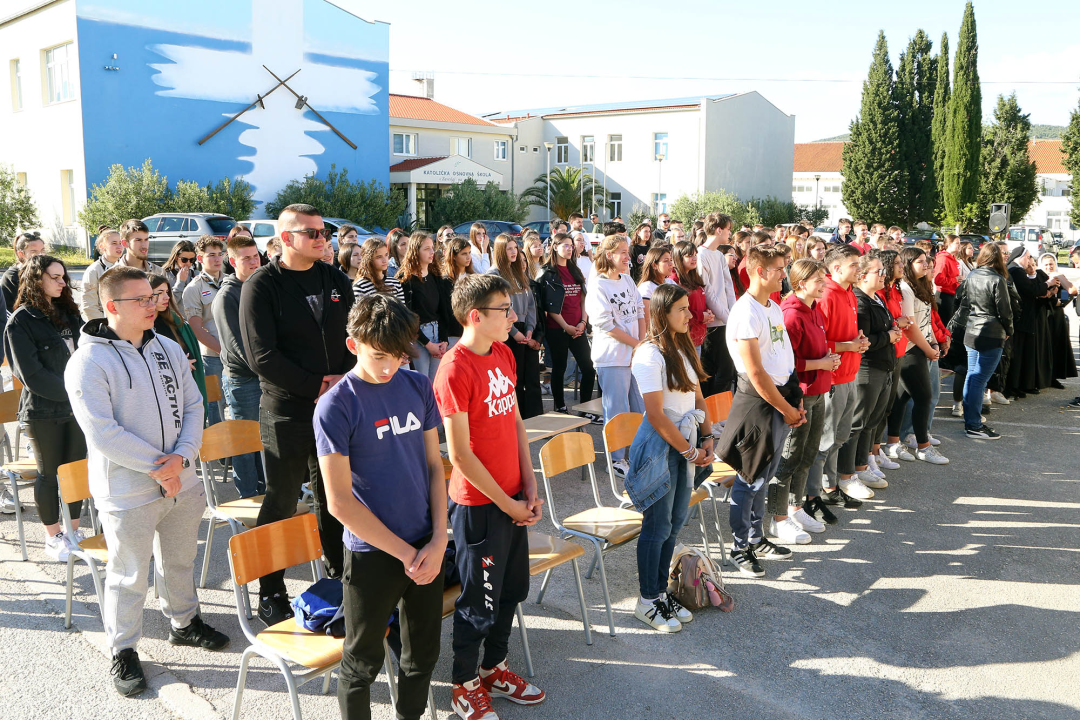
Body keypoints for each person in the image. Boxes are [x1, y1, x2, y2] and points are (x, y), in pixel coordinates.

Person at [65, 265, 228, 697]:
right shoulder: (88, 361)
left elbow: (194, 405)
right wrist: (164, 465)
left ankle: (184, 622)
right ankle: (123, 649)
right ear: (111, 306)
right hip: (128, 489)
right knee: (129, 575)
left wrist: (182, 458)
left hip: (182, 480)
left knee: (178, 561)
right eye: (142, 300)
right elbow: (102, 432)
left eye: (153, 298)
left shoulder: (167, 348)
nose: (154, 304)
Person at [316, 295, 446, 720]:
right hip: (374, 553)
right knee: (362, 661)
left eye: (396, 355)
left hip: (427, 543)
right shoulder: (336, 404)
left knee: (423, 652)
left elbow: (433, 466)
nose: (389, 365)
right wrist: (408, 555)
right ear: (353, 345)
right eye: (378, 356)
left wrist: (440, 539)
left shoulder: (417, 385)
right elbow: (338, 503)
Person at [433, 274, 546, 720]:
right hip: (481, 506)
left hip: (514, 495)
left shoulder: (502, 352)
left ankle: (493, 668)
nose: (513, 317)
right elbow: (459, 453)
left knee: (512, 590)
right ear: (476, 316)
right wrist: (507, 503)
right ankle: (463, 684)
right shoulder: (454, 369)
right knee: (478, 602)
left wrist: (530, 483)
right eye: (505, 309)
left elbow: (516, 422)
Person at [239, 203, 354, 626]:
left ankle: (340, 577)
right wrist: (314, 384)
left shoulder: (335, 278)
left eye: (323, 232)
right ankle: (270, 591)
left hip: (336, 406)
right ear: (286, 239)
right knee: (283, 499)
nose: (322, 239)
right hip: (288, 410)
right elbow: (260, 355)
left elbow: (352, 334)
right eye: (312, 233)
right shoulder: (261, 286)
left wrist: (344, 380)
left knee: (334, 496)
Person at [626, 284, 712, 632]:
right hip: (662, 445)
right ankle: (646, 600)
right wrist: (690, 449)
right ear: (662, 313)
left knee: (675, 522)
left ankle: (660, 593)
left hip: (685, 441)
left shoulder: (682, 344)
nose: (689, 314)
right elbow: (657, 415)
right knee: (657, 525)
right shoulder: (648, 354)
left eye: (689, 308)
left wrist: (706, 436)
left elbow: (697, 396)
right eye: (682, 309)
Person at [716, 245, 804, 578]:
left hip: (780, 400)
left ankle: (756, 537)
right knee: (749, 476)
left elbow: (784, 357)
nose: (785, 274)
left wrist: (794, 402)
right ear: (759, 271)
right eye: (780, 269)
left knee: (765, 476)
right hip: (757, 403)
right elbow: (755, 372)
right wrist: (785, 408)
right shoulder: (745, 312)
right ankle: (740, 548)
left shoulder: (773, 307)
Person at [3, 255, 87, 561]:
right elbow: (31, 375)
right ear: (37, 280)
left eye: (64, 276)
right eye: (56, 277)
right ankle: (54, 537)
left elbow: (85, 354)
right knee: (49, 474)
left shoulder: (69, 313)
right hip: (43, 412)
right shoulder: (21, 321)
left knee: (75, 472)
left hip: (76, 407)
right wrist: (75, 393)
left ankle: (74, 531)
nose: (63, 282)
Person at [775, 259, 839, 534]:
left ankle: (795, 508)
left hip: (818, 390)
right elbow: (786, 363)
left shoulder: (814, 309)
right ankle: (778, 518)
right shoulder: (791, 314)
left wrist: (827, 360)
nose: (824, 283)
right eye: (819, 280)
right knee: (789, 457)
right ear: (801, 283)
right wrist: (820, 364)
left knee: (807, 453)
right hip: (800, 394)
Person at [809, 244, 873, 508]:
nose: (860, 269)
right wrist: (849, 346)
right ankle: (817, 492)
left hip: (849, 374)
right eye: (854, 265)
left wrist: (858, 340)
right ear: (836, 268)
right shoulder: (827, 294)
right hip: (832, 379)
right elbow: (819, 342)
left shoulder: (849, 292)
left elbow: (844, 333)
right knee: (825, 440)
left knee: (839, 437)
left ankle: (830, 485)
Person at [836, 253, 899, 492]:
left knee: (872, 421)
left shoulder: (877, 297)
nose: (884, 275)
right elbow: (863, 338)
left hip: (883, 366)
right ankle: (848, 474)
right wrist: (888, 336)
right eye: (878, 271)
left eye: (884, 271)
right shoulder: (860, 300)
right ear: (862, 276)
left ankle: (862, 466)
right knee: (858, 422)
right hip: (868, 368)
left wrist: (893, 330)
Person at [585, 234, 646, 475]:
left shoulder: (628, 280)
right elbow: (606, 325)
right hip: (612, 358)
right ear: (609, 255)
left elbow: (640, 310)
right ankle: (617, 458)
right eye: (622, 251)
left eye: (627, 251)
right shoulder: (598, 286)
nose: (627, 256)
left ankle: (637, 453)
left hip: (634, 353)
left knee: (639, 406)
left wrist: (640, 343)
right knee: (618, 409)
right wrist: (636, 345)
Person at [211, 233, 266, 498]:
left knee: (265, 439)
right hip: (243, 380)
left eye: (256, 256)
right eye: (247, 259)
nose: (254, 262)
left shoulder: (259, 286)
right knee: (246, 442)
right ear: (232, 261)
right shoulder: (226, 296)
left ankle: (266, 491)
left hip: (264, 376)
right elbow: (236, 345)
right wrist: (268, 370)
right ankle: (248, 495)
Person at [884, 247, 949, 464]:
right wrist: (928, 348)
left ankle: (893, 443)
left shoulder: (919, 285)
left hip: (920, 345)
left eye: (927, 260)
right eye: (920, 261)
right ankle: (923, 446)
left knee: (902, 397)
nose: (927, 264)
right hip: (910, 348)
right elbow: (910, 326)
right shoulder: (905, 288)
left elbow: (925, 320)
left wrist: (932, 341)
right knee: (924, 397)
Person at [538, 234, 595, 415]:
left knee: (588, 368)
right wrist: (566, 327)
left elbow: (583, 298)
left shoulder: (575, 270)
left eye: (571, 246)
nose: (570, 249)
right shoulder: (546, 273)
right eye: (566, 245)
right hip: (558, 329)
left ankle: (585, 409)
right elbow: (548, 306)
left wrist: (583, 322)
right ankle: (560, 406)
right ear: (555, 246)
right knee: (559, 368)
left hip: (578, 327)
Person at [961, 244, 1013, 439]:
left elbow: (963, 301)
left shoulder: (972, 275)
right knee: (978, 378)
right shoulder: (997, 279)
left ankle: (971, 420)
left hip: (972, 329)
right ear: (997, 258)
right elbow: (1005, 311)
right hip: (990, 333)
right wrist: (1009, 330)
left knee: (972, 376)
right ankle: (973, 424)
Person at [489, 234, 543, 419]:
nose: (513, 252)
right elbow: (498, 309)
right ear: (500, 251)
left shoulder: (519, 273)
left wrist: (529, 329)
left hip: (524, 330)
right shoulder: (494, 275)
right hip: (507, 332)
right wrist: (515, 333)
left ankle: (532, 417)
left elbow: (530, 305)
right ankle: (514, 418)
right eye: (509, 248)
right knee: (512, 379)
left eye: (515, 248)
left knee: (529, 376)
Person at [182, 235, 226, 427]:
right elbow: (196, 328)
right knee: (216, 407)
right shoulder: (193, 289)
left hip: (237, 356)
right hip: (213, 357)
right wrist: (223, 351)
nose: (217, 259)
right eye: (211, 255)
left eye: (220, 254)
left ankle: (238, 455)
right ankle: (221, 457)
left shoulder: (231, 282)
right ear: (200, 258)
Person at [149, 275, 206, 405]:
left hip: (185, 390)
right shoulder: (141, 328)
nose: (167, 297)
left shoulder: (176, 323)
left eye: (167, 292)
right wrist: (178, 364)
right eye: (160, 293)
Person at [399, 232, 448, 381]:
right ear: (415, 251)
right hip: (418, 338)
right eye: (427, 248)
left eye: (432, 247)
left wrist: (444, 340)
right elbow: (408, 316)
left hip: (438, 334)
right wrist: (427, 344)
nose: (432, 252)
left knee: (436, 384)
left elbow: (443, 310)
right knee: (422, 384)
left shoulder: (435, 276)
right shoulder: (405, 280)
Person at [697, 213, 736, 396]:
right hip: (712, 323)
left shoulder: (719, 256)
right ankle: (707, 419)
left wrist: (732, 314)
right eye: (728, 229)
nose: (730, 233)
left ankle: (718, 417)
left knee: (726, 372)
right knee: (710, 374)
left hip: (725, 321)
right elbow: (708, 292)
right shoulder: (700, 255)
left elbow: (728, 287)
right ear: (719, 230)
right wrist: (728, 318)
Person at [1005, 247, 1051, 397]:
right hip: (1021, 318)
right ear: (1021, 257)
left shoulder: (1015, 269)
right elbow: (1030, 290)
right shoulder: (1016, 270)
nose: (1030, 261)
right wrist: (1047, 284)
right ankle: (1014, 386)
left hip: (1023, 317)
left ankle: (1019, 384)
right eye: (1028, 257)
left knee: (1022, 354)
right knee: (1017, 354)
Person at [1039, 253, 1078, 387]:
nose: (1049, 267)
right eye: (1046, 264)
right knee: (1044, 347)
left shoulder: (1060, 277)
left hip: (1057, 315)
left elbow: (1071, 292)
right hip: (1043, 315)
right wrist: (1053, 299)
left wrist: (1060, 301)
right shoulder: (1039, 277)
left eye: (1051, 264)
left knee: (1056, 345)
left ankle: (1054, 377)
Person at [670, 240, 712, 352]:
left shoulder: (694, 277)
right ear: (679, 258)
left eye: (695, 255)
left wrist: (707, 312)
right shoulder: (673, 281)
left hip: (697, 337)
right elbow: (675, 312)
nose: (694, 259)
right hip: (683, 340)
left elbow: (698, 303)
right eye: (689, 256)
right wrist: (701, 316)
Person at [80, 226, 126, 321]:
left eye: (120, 243)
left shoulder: (125, 268)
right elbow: (89, 305)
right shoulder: (94, 270)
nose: (119, 246)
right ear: (102, 246)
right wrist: (104, 325)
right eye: (114, 243)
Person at [441, 236, 475, 348]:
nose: (468, 257)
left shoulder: (473, 277)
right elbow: (445, 310)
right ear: (454, 256)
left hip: (472, 331)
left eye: (469, 253)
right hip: (453, 335)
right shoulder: (446, 281)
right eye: (464, 254)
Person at [2, 231, 45, 312]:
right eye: (34, 252)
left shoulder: (48, 271)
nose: (40, 255)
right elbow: (8, 311)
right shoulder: (12, 276)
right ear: (21, 254)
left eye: (42, 250)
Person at [353, 236, 404, 302]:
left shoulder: (395, 283)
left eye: (386, 255)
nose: (384, 260)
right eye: (379, 257)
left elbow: (402, 310)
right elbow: (358, 311)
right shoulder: (360, 286)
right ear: (369, 259)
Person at [636, 244, 675, 322]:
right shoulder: (646, 288)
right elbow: (646, 320)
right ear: (654, 265)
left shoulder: (671, 282)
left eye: (671, 260)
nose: (671, 264)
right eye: (666, 261)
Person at [934, 234, 962, 324]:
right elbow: (938, 280)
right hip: (944, 295)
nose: (959, 245)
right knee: (945, 323)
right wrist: (955, 279)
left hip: (951, 294)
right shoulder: (943, 258)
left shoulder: (952, 258)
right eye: (957, 243)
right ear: (949, 244)